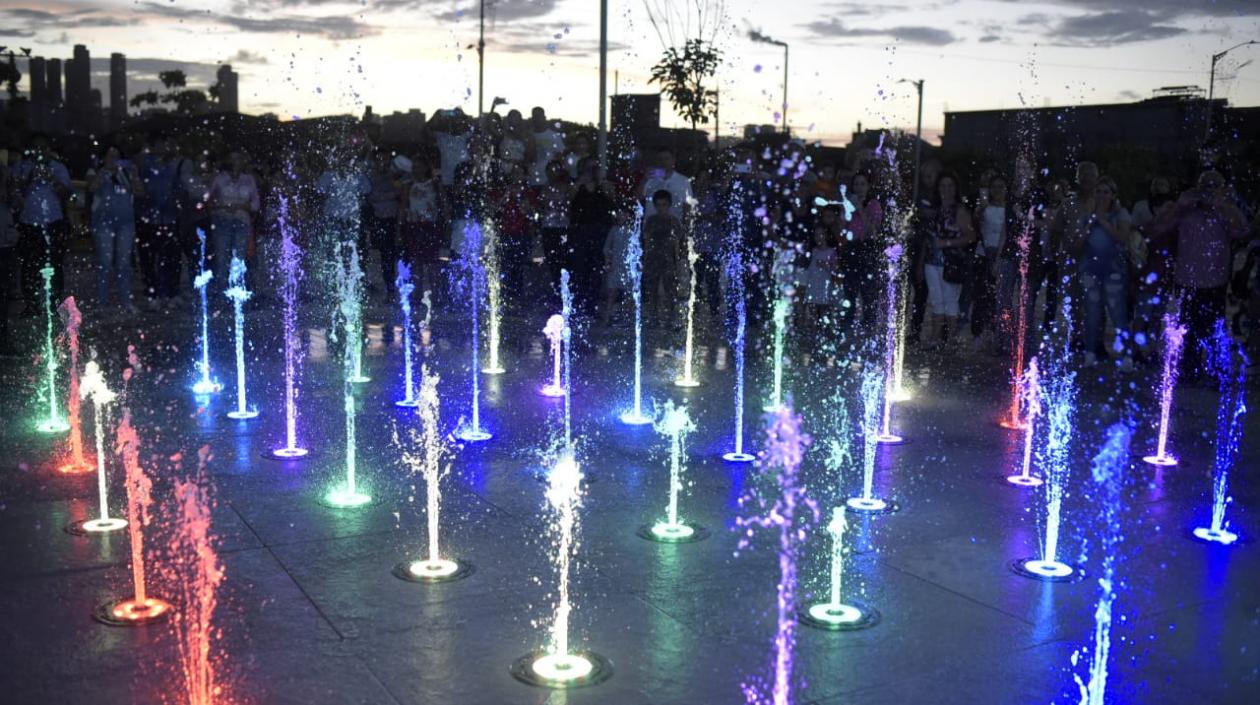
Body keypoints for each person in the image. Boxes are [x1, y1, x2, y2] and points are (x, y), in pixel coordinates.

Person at [1152, 170, 1251, 375]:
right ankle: (1190, 369)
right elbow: (1158, 228)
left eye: (1215, 186)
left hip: (1216, 280)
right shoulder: (1184, 210)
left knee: (1214, 327)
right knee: (1187, 328)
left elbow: (1242, 231)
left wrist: (1222, 205)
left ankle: (1214, 370)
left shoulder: (1227, 210)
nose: (1210, 191)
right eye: (1206, 186)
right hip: (1187, 279)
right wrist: (1180, 206)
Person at [1064, 175, 1133, 368]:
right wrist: (1088, 225)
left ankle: (1127, 355)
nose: (1102, 195)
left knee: (1117, 312)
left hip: (1113, 269)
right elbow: (1075, 245)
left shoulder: (1121, 214)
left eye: (1106, 191)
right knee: (1092, 312)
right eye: (1098, 191)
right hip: (1090, 269)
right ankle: (1090, 353)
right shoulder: (1086, 215)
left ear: (1113, 195)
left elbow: (1122, 238)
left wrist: (1103, 222)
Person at [11, 135, 71, 313]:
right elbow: (13, 191)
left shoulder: (58, 167)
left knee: (55, 263)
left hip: (53, 222)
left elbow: (67, 194)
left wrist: (51, 178)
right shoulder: (22, 166)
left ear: (48, 149)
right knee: (29, 264)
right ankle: (32, 304)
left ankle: (54, 303)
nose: (40, 152)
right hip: (29, 222)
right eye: (36, 148)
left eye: (43, 148)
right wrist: (30, 178)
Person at [918, 172, 976, 348]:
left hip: (952, 262)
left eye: (950, 186)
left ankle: (950, 339)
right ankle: (936, 337)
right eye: (943, 185)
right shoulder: (933, 210)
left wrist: (947, 242)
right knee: (936, 300)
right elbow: (927, 239)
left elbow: (971, 236)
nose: (946, 189)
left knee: (951, 300)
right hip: (931, 260)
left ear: (955, 188)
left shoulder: (960, 210)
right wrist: (920, 263)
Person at [86, 146, 144, 314]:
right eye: (110, 156)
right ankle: (101, 302)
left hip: (126, 223)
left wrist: (133, 174)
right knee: (104, 263)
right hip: (103, 223)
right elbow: (91, 188)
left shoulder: (125, 173)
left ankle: (126, 301)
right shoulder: (96, 171)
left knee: (124, 264)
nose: (113, 160)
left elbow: (139, 192)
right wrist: (104, 171)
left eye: (117, 156)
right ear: (103, 158)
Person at [136, 136, 183, 307]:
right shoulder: (145, 164)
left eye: (166, 144)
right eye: (162, 144)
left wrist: (175, 204)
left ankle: (171, 293)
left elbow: (177, 189)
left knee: (171, 257)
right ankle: (152, 294)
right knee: (149, 259)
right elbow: (142, 189)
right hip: (149, 218)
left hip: (169, 218)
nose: (165, 147)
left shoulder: (172, 166)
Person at [207, 151, 261, 289]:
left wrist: (243, 206)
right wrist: (223, 206)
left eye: (238, 159)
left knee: (239, 259)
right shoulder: (219, 178)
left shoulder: (248, 179)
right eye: (232, 159)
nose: (235, 162)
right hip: (222, 221)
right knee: (222, 259)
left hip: (242, 222)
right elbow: (207, 200)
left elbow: (256, 204)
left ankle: (237, 291)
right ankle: (222, 292)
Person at [568, 156, 614, 316]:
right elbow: (568, 200)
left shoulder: (603, 185)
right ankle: (578, 304)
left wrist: (603, 185)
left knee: (596, 270)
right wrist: (579, 183)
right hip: (580, 232)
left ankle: (591, 305)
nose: (591, 172)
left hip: (598, 232)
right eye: (588, 168)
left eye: (594, 168)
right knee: (579, 270)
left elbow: (612, 200)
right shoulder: (576, 185)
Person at [842, 171, 883, 332]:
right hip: (851, 248)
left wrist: (860, 208)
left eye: (862, 184)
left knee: (868, 291)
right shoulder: (849, 203)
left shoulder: (874, 204)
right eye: (856, 184)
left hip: (867, 249)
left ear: (868, 186)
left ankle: (868, 326)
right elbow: (843, 227)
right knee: (849, 290)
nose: (859, 187)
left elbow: (872, 231)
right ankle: (848, 324)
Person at [398, 157, 443, 295]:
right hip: (414, 226)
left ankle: (436, 294)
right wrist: (399, 230)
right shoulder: (409, 185)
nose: (416, 169)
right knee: (415, 262)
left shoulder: (435, 184)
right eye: (414, 166)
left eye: (419, 166)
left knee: (432, 263)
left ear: (425, 167)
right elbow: (403, 207)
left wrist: (445, 226)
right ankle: (416, 294)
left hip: (431, 226)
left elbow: (444, 205)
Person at [366, 152, 403, 300]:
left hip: (393, 220)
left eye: (384, 158)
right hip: (378, 219)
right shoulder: (371, 176)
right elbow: (369, 196)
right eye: (379, 158)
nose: (382, 161)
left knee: (392, 255)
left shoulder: (395, 175)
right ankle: (386, 288)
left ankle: (395, 288)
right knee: (382, 256)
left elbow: (399, 194)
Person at [642, 189, 681, 330]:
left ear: (669, 205)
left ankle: (672, 319)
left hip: (668, 260)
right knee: (651, 291)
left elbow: (676, 243)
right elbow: (646, 242)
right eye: (658, 205)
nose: (661, 208)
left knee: (670, 291)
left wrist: (678, 262)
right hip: (653, 259)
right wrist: (644, 260)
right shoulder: (651, 221)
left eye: (664, 204)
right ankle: (653, 318)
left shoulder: (673, 221)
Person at [641, 147, 692, 220]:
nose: (663, 162)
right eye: (660, 159)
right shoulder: (649, 179)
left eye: (666, 159)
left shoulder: (683, 181)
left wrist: (685, 227)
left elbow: (687, 207)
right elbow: (637, 198)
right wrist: (644, 179)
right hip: (651, 227)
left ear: (673, 160)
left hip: (674, 227)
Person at [528, 107, 566, 188]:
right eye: (535, 116)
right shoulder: (528, 136)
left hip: (549, 181)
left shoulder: (554, 136)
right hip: (531, 181)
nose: (537, 119)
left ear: (544, 118)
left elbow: (560, 159)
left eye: (539, 116)